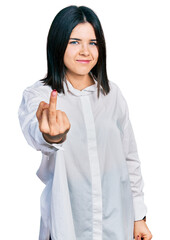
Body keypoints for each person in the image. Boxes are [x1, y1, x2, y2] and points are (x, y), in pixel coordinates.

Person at [18, 5, 152, 240]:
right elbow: (36, 132)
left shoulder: (112, 95)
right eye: (74, 42)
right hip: (67, 223)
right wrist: (52, 136)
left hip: (115, 223)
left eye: (92, 43)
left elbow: (129, 158)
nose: (85, 51)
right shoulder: (40, 95)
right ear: (58, 44)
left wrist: (138, 217)